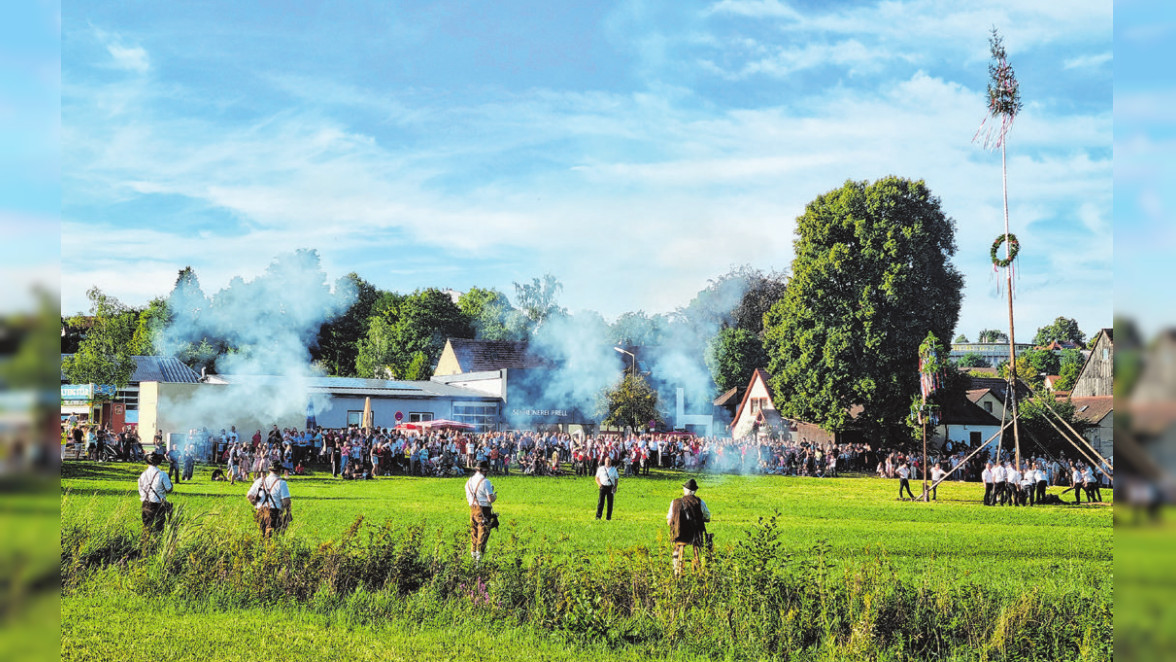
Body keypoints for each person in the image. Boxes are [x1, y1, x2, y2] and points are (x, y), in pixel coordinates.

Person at [667, 478, 711, 576]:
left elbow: (669, 521)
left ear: (685, 490)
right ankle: (700, 570)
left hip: (680, 536)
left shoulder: (675, 502)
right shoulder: (700, 502)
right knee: (701, 547)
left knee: (676, 547)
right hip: (695, 536)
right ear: (695, 491)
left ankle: (676, 569)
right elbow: (707, 516)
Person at [246, 459, 292, 537]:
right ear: (279, 470)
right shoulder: (281, 483)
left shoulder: (260, 481)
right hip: (274, 512)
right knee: (274, 536)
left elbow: (249, 496)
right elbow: (286, 501)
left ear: (269, 470)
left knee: (262, 535)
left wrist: (256, 504)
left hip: (260, 511)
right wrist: (287, 512)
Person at [465, 460, 497, 562]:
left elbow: (468, 498)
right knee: (482, 535)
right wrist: (495, 495)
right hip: (484, 510)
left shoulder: (468, 482)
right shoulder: (485, 481)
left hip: (472, 509)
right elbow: (490, 499)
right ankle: (479, 562)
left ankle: (473, 558)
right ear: (484, 470)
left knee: (473, 534)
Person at [137, 452, 174, 534]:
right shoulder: (162, 474)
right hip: (158, 503)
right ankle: (157, 544)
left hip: (146, 503)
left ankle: (145, 545)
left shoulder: (143, 475)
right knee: (159, 528)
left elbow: (140, 490)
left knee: (146, 528)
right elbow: (169, 489)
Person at [594, 456, 620, 520]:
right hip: (603, 487)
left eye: (609, 461)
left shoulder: (613, 469)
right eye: (606, 461)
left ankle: (608, 517)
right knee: (601, 502)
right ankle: (598, 516)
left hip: (610, 487)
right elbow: (597, 478)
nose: (608, 462)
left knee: (610, 503)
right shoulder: (601, 469)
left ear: (611, 462)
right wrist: (599, 484)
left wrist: (615, 487)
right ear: (604, 461)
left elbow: (616, 479)